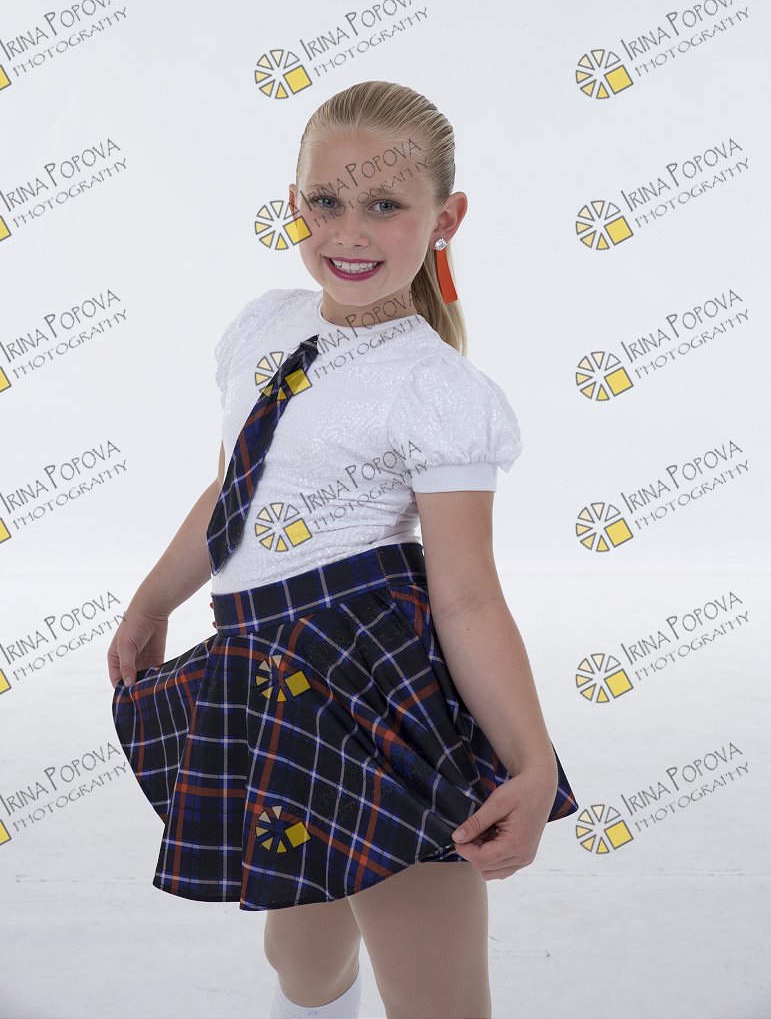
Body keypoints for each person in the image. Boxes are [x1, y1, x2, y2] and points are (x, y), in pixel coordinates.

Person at [107, 80, 578, 1019]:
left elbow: (468, 596)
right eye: (326, 201)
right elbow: (232, 492)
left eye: (386, 205)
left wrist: (531, 762)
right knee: (302, 959)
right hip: (264, 667)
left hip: (374, 684)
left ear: (445, 220)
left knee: (436, 994)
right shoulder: (263, 325)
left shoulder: (438, 390)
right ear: (293, 202)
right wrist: (153, 601)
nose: (350, 232)